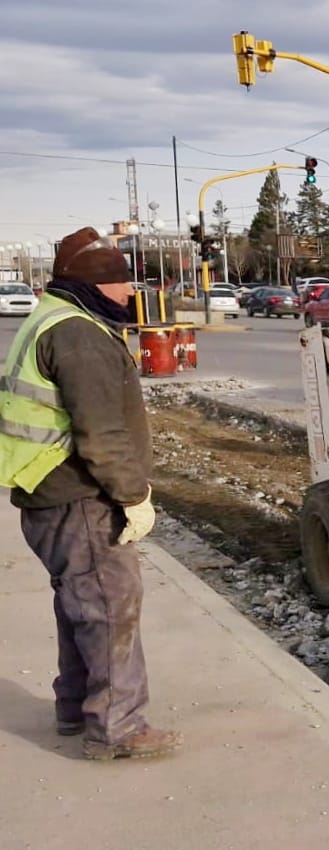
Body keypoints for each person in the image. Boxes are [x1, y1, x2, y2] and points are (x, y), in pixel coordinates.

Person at [0, 227, 180, 760]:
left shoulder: (49, 319)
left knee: (78, 604)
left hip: (46, 492)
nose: (129, 294)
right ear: (98, 285)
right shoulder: (79, 334)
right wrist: (132, 496)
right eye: (123, 285)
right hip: (79, 495)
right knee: (109, 606)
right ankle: (117, 727)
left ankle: (76, 706)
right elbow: (102, 434)